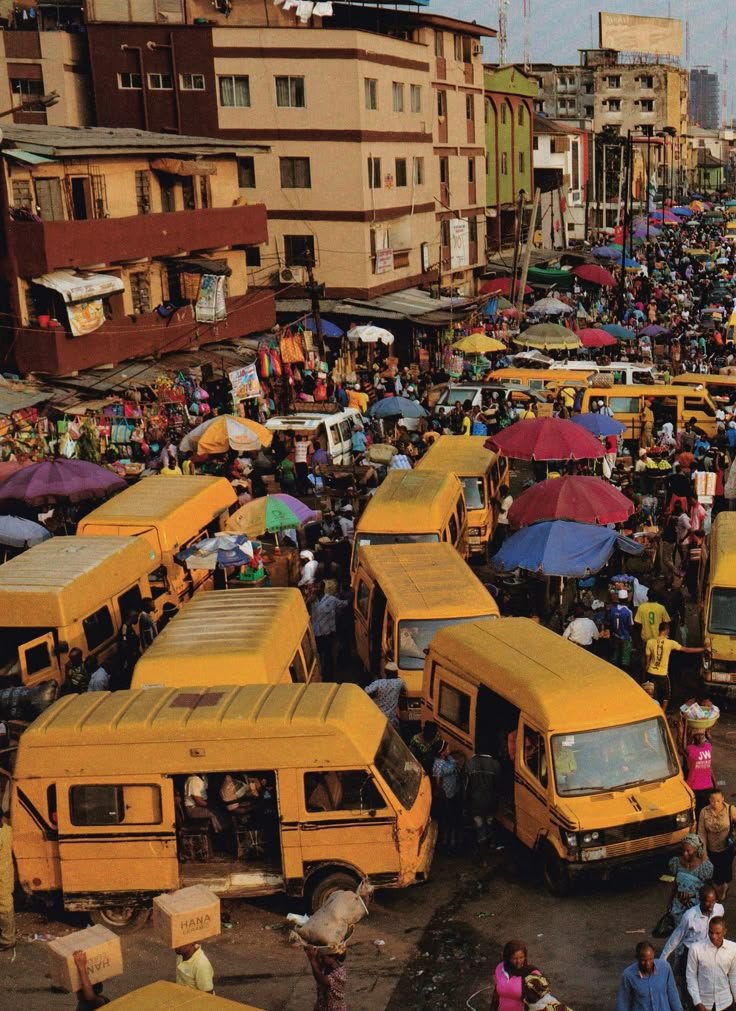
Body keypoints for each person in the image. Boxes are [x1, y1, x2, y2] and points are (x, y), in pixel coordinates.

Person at [662, 885, 724, 997]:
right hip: (690, 954)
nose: (711, 905)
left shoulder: (719, 909)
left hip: (708, 954)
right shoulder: (689, 916)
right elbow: (676, 938)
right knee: (689, 987)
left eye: (713, 902)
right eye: (708, 902)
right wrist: (662, 959)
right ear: (700, 900)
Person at [645, 623, 704, 711]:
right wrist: (702, 649)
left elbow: (647, 660)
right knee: (666, 696)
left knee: (650, 694)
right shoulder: (670, 643)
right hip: (662, 675)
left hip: (651, 673)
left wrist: (646, 672)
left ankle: (650, 710)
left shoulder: (650, 642)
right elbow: (686, 650)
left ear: (659, 630)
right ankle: (662, 713)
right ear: (667, 630)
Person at [686, 916, 736, 1011]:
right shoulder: (696, 948)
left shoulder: (733, 948)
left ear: (724, 931)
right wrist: (697, 1002)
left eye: (717, 933)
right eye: (711, 932)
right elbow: (691, 976)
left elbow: (734, 976)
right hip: (703, 1004)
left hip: (725, 1003)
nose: (713, 936)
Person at [615, 941, 682, 1011]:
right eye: (644, 960)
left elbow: (673, 995)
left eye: (651, 959)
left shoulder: (665, 968)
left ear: (654, 955)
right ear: (637, 958)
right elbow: (623, 1002)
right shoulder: (628, 975)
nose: (648, 964)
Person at [698, 788, 736, 902]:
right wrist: (704, 853)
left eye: (718, 800)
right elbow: (701, 833)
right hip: (712, 850)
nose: (715, 803)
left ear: (723, 799)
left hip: (727, 849)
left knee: (724, 874)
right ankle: (720, 894)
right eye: (713, 801)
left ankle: (723, 888)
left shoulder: (731, 809)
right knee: (715, 876)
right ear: (709, 800)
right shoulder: (704, 812)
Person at [668, 834, 715, 927]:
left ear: (696, 850)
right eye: (683, 850)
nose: (685, 853)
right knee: (679, 929)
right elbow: (675, 884)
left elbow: (709, 888)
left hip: (695, 906)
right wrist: (670, 901)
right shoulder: (676, 863)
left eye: (688, 851)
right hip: (678, 905)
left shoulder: (704, 867)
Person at [464, 740, 500, 848]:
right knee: (490, 821)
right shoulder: (495, 764)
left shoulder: (469, 763)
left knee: (479, 824)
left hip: (475, 802)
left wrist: (464, 802)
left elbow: (465, 786)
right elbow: (498, 785)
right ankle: (491, 842)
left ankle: (481, 843)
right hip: (490, 801)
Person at [310, 582, 348, 681]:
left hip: (327, 634)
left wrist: (350, 596)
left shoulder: (331, 600)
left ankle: (329, 676)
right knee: (317, 656)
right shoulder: (312, 601)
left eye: (317, 587)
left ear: (322, 588)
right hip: (316, 634)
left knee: (328, 656)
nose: (315, 589)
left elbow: (344, 604)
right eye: (314, 587)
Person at [432, 746, 463, 853]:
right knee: (449, 820)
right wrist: (455, 763)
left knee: (451, 819)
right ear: (441, 752)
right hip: (447, 795)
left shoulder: (446, 759)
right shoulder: (439, 764)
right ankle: (448, 843)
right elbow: (449, 770)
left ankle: (449, 842)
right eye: (447, 749)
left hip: (452, 793)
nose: (449, 751)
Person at [304, 945, 347, 1011]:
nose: (321, 959)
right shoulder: (326, 967)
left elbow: (321, 979)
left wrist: (312, 960)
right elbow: (317, 963)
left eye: (322, 957)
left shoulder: (340, 973)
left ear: (333, 956)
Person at [493, 939, 533, 1011]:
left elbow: (539, 1001)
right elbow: (496, 992)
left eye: (521, 957)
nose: (518, 961)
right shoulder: (500, 968)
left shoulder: (531, 973)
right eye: (514, 958)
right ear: (507, 957)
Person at [684, 731, 714, 818]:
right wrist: (686, 729)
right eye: (697, 735)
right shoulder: (690, 749)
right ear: (693, 737)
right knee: (697, 814)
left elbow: (710, 767)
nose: (700, 737)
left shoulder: (709, 747)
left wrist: (714, 783)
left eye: (702, 735)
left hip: (708, 785)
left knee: (708, 814)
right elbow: (682, 746)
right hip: (694, 786)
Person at [364, 662, 405, 727]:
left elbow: (366, 691)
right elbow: (404, 687)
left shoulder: (378, 683)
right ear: (396, 673)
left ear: (385, 672)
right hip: (391, 720)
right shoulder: (399, 683)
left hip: (377, 718)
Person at [608, 589, 635, 671]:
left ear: (619, 599)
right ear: (627, 599)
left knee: (615, 656)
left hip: (615, 636)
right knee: (625, 659)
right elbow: (630, 626)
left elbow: (610, 624)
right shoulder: (628, 612)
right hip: (625, 637)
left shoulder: (612, 610)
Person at [0, 811, 15, 952]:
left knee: (4, 908)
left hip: (2, 878)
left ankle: (7, 940)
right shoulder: (8, 830)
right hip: (7, 875)